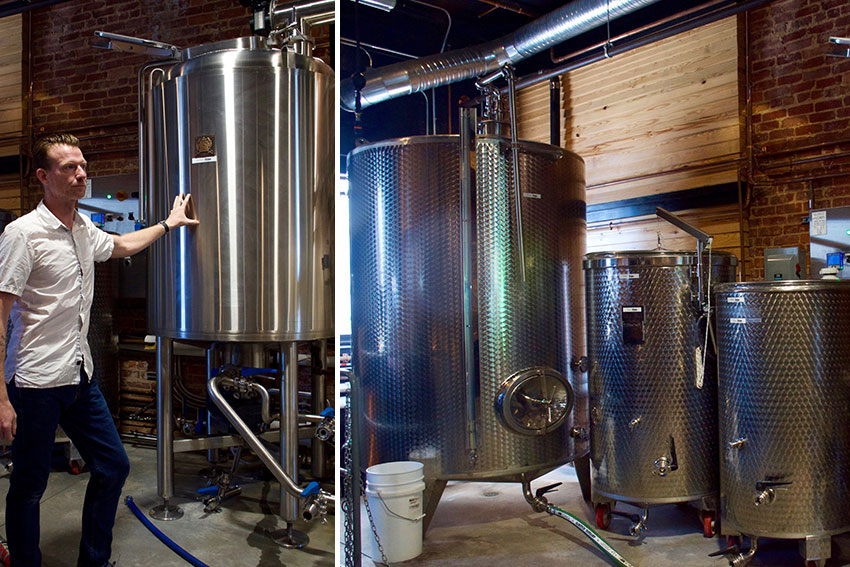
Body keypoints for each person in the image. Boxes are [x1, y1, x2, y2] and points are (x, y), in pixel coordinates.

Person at [0, 133, 199, 567]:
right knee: (30, 486)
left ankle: (93, 560)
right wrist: (1, 398)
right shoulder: (23, 234)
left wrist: (169, 223)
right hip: (34, 382)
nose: (81, 174)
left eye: (83, 165)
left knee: (113, 466)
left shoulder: (83, 228)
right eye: (69, 167)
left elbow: (122, 245)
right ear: (43, 176)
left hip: (77, 376)